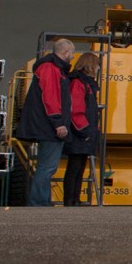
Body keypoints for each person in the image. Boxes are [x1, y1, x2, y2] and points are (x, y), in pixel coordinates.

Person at [12, 37, 76, 205]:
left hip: (45, 125)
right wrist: (58, 122)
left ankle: (41, 202)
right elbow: (51, 96)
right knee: (47, 167)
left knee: (46, 167)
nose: (74, 57)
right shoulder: (51, 68)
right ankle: (39, 203)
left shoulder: (51, 67)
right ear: (65, 52)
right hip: (49, 127)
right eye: (72, 53)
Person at [61, 51, 103, 206]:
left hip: (83, 132)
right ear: (91, 65)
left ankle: (74, 200)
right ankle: (71, 201)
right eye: (98, 65)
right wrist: (85, 131)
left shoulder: (83, 83)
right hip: (80, 133)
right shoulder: (79, 83)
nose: (99, 69)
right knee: (75, 168)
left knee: (78, 168)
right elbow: (76, 110)